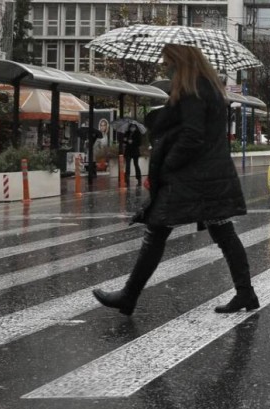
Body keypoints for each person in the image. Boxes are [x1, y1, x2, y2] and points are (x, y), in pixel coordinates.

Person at [92, 43, 258, 315]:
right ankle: (245, 292)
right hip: (207, 175)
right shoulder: (208, 87)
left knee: (157, 230)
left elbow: (193, 134)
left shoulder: (193, 90)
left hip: (192, 177)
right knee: (221, 232)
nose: (165, 66)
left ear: (180, 61)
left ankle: (129, 295)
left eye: (168, 61)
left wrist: (169, 163)